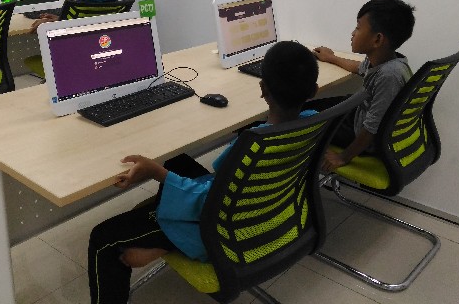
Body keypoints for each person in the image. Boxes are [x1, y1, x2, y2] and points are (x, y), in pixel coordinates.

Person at [87, 41, 320, 304]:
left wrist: (156, 173)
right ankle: (163, 241)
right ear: (313, 91)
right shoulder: (312, 122)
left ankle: (170, 242)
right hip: (271, 212)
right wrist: (158, 171)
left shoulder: (251, 146)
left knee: (102, 238)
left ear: (262, 88)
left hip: (224, 232)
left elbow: (207, 203)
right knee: (177, 162)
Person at [312, 0, 415, 172]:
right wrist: (331, 58)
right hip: (359, 114)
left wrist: (342, 157)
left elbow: (372, 128)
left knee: (306, 123)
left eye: (358, 27)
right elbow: (359, 68)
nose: (353, 33)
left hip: (360, 134)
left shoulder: (389, 76)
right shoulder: (384, 58)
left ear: (377, 40)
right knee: (309, 108)